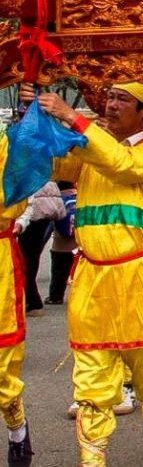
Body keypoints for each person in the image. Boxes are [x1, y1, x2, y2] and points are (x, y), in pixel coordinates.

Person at [40, 83, 143, 467]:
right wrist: (43, 123)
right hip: (91, 278)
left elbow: (122, 164)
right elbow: (54, 166)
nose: (112, 105)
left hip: (142, 278)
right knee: (91, 378)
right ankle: (92, 460)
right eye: (110, 97)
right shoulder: (90, 145)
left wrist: (75, 119)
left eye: (123, 100)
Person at [0, 83, 45, 465]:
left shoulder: (8, 148)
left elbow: (27, 175)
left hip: (0, 260)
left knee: (1, 369)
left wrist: (36, 108)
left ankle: (16, 429)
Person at [14, 180, 64, 313]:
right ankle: (31, 298)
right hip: (43, 208)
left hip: (36, 209)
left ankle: (31, 299)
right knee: (30, 255)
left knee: (26, 257)